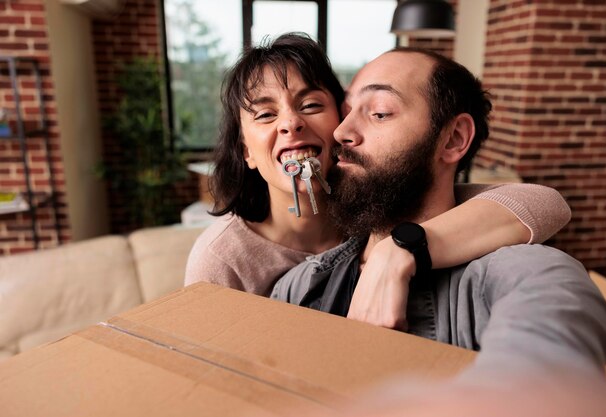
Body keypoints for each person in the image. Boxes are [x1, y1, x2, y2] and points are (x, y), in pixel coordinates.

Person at [271, 47, 606, 374]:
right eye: (345, 113)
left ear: (453, 139)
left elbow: (554, 354)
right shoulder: (299, 285)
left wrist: (401, 248)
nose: (341, 132)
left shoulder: (518, 278)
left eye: (379, 113)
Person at [185, 34, 571, 322]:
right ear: (247, 151)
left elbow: (544, 202)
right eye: (265, 115)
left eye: (312, 105)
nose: (291, 123)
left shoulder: (373, 200)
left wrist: (399, 249)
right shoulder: (230, 262)